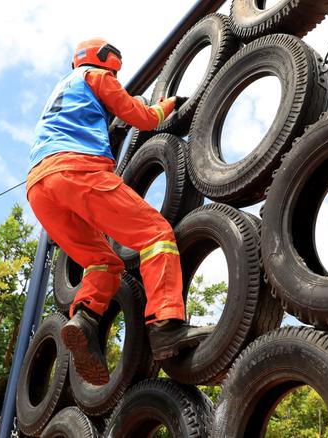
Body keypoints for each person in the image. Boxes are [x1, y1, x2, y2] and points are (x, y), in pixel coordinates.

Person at [26, 38, 213, 386]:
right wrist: (167, 105)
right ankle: (166, 326)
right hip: (77, 169)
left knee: (103, 261)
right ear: (104, 57)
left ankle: (84, 320)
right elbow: (141, 118)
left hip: (39, 186)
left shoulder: (62, 90)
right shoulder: (96, 76)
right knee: (156, 234)